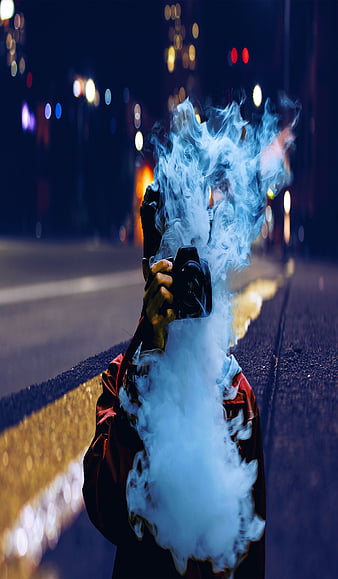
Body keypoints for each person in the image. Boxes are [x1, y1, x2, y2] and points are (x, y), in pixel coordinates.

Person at [83, 186, 266, 579]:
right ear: (149, 270)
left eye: (194, 262)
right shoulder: (125, 376)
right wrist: (148, 357)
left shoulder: (234, 393)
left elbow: (249, 550)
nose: (186, 282)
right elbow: (108, 512)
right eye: (172, 263)